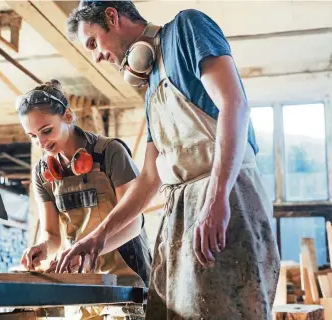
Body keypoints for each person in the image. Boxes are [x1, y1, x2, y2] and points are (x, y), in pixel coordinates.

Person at [55, 2, 281, 319]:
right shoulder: (150, 87)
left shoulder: (187, 29)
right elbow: (149, 177)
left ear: (111, 16)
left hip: (224, 192)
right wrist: (97, 237)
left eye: (93, 43)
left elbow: (235, 104)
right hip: (179, 210)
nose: (97, 56)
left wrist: (217, 199)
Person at [17, 79, 152, 319]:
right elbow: (53, 236)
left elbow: (133, 224)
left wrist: (87, 252)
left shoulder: (109, 153)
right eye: (32, 136)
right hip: (81, 284)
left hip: (125, 280)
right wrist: (43, 248)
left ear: (67, 116)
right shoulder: (42, 173)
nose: (41, 143)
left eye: (47, 130)